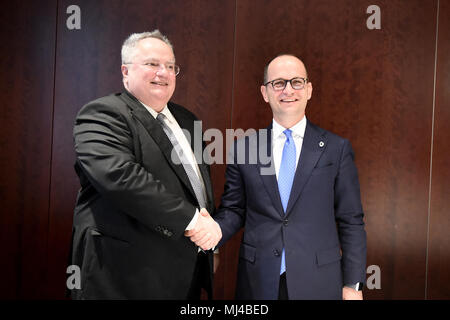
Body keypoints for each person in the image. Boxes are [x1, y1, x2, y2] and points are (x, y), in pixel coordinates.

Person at [68, 30, 221, 299]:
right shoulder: (103, 114)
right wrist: (193, 222)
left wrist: (210, 247)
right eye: (152, 64)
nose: (163, 72)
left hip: (185, 274)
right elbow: (121, 178)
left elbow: (197, 188)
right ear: (125, 71)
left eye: (170, 66)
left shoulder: (188, 120)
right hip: (123, 276)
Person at [202, 54, 367, 300]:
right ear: (265, 92)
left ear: (309, 89)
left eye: (297, 82)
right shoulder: (245, 149)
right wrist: (213, 230)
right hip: (259, 280)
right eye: (278, 83)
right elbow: (234, 209)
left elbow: (351, 219)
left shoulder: (336, 148)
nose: (288, 90)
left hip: (319, 281)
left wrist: (353, 285)